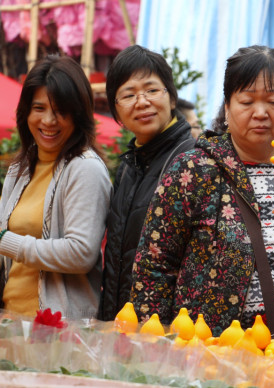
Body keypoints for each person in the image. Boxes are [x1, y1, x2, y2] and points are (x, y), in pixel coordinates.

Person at [130, 45, 274, 336]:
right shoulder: (193, 170)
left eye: (273, 100)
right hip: (210, 359)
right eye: (246, 101)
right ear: (228, 107)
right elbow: (153, 267)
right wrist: (156, 347)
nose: (260, 113)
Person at [0, 55, 111, 319]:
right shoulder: (20, 169)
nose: (49, 121)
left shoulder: (85, 168)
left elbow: (81, 253)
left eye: (60, 110)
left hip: (58, 331)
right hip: (12, 322)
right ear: (26, 112)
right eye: (39, 108)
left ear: (79, 114)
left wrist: (7, 241)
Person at [98, 45, 196, 321]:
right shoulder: (129, 166)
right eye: (128, 95)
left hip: (167, 333)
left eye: (152, 90)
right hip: (122, 326)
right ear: (116, 111)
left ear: (172, 98)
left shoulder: (193, 161)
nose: (141, 102)